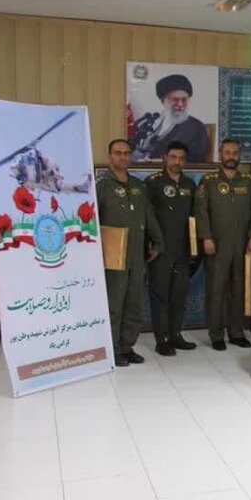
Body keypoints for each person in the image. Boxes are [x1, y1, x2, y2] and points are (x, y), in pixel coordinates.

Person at [96, 139, 164, 367]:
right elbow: (92, 220)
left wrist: (157, 241)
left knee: (134, 302)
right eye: (118, 153)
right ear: (110, 156)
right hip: (113, 255)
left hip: (137, 253)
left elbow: (148, 215)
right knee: (115, 304)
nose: (122, 157)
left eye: (126, 153)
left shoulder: (138, 186)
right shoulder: (102, 185)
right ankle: (113, 348)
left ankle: (127, 346)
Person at [194, 138, 251, 350]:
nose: (231, 157)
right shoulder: (209, 181)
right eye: (227, 152)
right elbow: (200, 211)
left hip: (243, 245)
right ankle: (216, 334)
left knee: (240, 289)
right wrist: (206, 237)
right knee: (216, 289)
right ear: (220, 154)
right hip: (217, 244)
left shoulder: (249, 181)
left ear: (239, 155)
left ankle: (236, 332)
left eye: (235, 153)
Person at [145, 142, 198, 356]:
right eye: (173, 157)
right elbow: (146, 217)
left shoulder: (189, 184)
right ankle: (162, 339)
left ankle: (176, 334)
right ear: (165, 157)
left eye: (181, 158)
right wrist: (151, 245)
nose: (177, 161)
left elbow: (195, 217)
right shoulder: (154, 182)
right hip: (161, 250)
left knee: (179, 294)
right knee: (160, 295)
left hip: (183, 250)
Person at [137, 74, 210, 163]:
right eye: (175, 100)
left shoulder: (196, 128)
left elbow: (198, 160)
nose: (180, 104)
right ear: (163, 101)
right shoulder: (155, 122)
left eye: (184, 100)